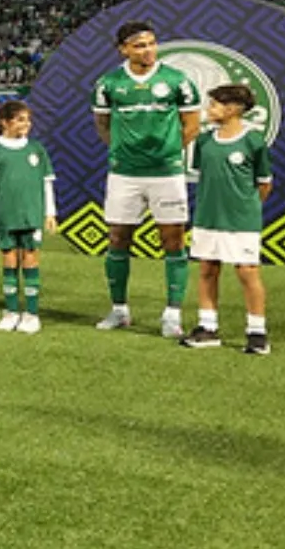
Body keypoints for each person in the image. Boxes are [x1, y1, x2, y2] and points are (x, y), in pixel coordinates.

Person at [91, 20, 201, 338]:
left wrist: (166, 152)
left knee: (173, 240)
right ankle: (119, 309)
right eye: (139, 45)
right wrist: (122, 151)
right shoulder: (109, 83)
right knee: (117, 239)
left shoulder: (177, 81)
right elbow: (102, 124)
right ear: (123, 49)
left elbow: (191, 125)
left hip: (166, 173)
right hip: (124, 174)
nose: (148, 50)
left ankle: (172, 313)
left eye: (152, 43)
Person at [181, 84, 273, 355]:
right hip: (207, 217)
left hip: (241, 220)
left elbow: (264, 183)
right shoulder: (205, 141)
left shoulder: (253, 141)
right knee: (208, 269)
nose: (208, 110)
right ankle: (207, 327)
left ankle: (257, 332)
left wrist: (248, 209)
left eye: (214, 105)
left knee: (247, 272)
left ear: (232, 109)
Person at [0, 99, 56, 334]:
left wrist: (50, 213)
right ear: (5, 122)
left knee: (30, 261)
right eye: (21, 119)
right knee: (9, 263)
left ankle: (31, 314)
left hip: (31, 215)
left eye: (28, 120)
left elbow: (46, 183)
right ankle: (11, 312)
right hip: (4, 215)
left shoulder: (36, 149)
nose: (27, 124)